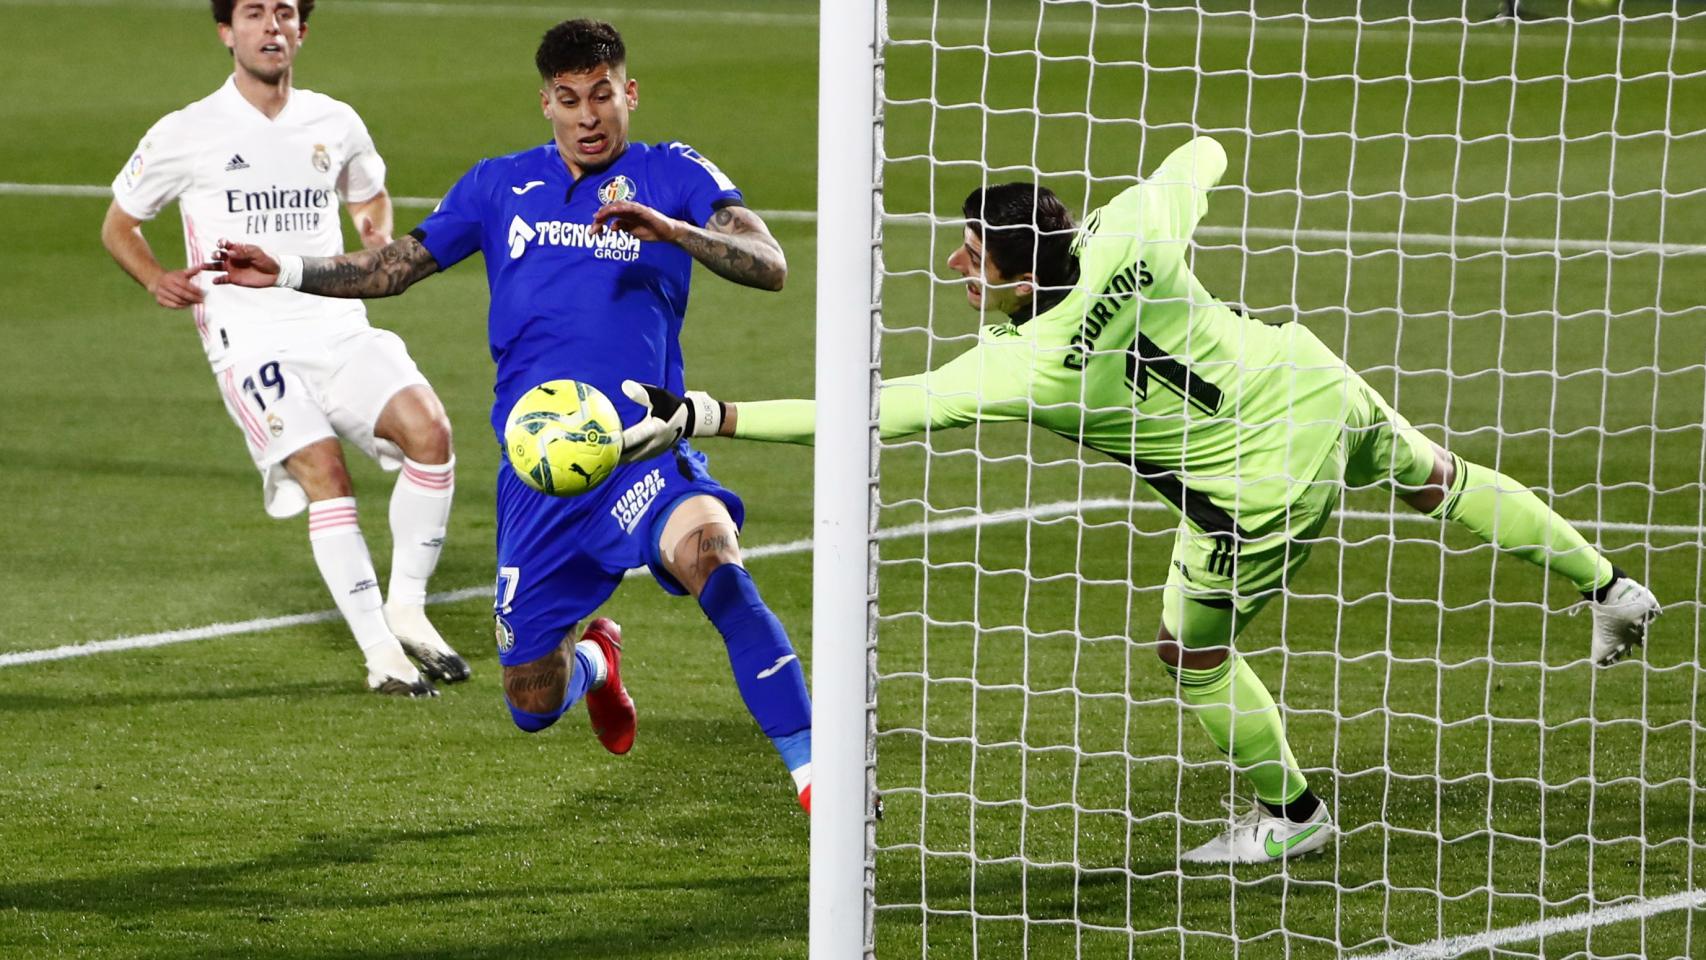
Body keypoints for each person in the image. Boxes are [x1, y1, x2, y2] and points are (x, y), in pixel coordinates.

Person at [617, 135, 1663, 858]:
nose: (953, 265)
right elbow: (1198, 156)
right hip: (1310, 387)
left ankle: (1290, 813)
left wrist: (707, 413)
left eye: (971, 257)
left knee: (1188, 651)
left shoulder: (1024, 363)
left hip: (1251, 492)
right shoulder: (1134, 230)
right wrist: (1175, 172)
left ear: (1019, 279)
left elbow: (869, 411)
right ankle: (1607, 584)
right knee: (1438, 479)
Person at [205, 20, 815, 809]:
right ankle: (596, 659)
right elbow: (396, 267)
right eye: (569, 100)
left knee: (715, 562)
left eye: (602, 95)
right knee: (532, 697)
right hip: (540, 474)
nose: (588, 115)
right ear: (546, 104)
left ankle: (812, 774)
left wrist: (673, 230)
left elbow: (770, 264)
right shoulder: (499, 184)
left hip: (643, 445)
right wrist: (286, 267)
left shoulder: (673, 173)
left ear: (629, 94)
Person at [101, 0, 467, 697]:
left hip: (338, 325)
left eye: (284, 13)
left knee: (432, 432)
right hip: (251, 344)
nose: (271, 27)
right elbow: (120, 223)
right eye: (253, 13)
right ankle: (381, 655)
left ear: (303, 29)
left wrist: (372, 233)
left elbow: (370, 194)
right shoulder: (187, 131)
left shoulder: (337, 121)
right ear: (225, 32)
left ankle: (408, 609)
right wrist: (155, 278)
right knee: (325, 470)